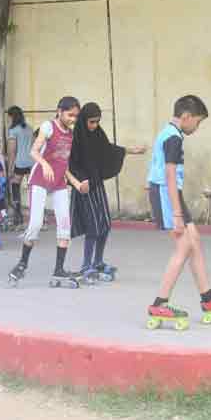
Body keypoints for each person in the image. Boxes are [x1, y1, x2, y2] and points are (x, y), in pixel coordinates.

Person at [144, 95, 211, 328]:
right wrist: (177, 214)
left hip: (169, 193)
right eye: (197, 122)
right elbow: (168, 174)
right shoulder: (173, 139)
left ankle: (208, 299)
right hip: (168, 195)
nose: (197, 128)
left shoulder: (169, 133)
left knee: (194, 240)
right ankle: (159, 303)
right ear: (186, 117)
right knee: (184, 246)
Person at [8, 97, 85, 288]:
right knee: (34, 225)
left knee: (65, 226)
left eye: (76, 116)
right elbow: (33, 152)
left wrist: (76, 183)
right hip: (40, 180)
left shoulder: (70, 134)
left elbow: (62, 163)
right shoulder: (48, 127)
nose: (73, 119)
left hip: (59, 182)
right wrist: (44, 164)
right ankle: (22, 264)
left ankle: (59, 270)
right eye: (70, 115)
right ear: (59, 111)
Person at [69, 102, 143, 284]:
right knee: (93, 227)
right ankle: (86, 265)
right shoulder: (75, 138)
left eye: (97, 122)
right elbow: (71, 164)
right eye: (91, 122)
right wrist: (80, 180)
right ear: (84, 120)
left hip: (97, 185)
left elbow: (107, 150)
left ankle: (98, 261)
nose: (94, 125)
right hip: (84, 187)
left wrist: (129, 150)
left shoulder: (97, 134)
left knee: (105, 225)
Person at [6, 106, 33, 226]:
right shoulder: (29, 128)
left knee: (15, 184)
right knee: (33, 189)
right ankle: (36, 216)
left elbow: (12, 151)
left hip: (20, 162)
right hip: (32, 162)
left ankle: (18, 215)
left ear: (12, 116)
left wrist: (10, 168)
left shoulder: (13, 130)